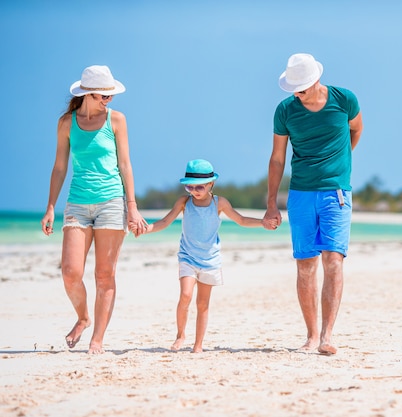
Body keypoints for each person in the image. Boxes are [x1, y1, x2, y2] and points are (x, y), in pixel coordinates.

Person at [41, 65, 148, 354]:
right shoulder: (67, 123)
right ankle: (83, 317)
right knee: (70, 272)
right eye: (104, 95)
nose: (108, 100)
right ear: (89, 93)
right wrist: (51, 207)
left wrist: (132, 208)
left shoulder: (117, 120)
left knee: (104, 275)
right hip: (77, 202)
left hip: (112, 201)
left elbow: (125, 165)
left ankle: (97, 338)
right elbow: (59, 167)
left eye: (110, 95)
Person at [264, 53, 363, 355]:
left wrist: (340, 161)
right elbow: (278, 157)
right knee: (305, 265)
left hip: (336, 193)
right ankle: (311, 335)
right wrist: (271, 202)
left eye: (302, 88)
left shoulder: (345, 100)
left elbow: (355, 130)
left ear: (316, 80)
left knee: (333, 261)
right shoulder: (285, 110)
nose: (297, 93)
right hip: (301, 193)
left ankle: (328, 336)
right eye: (293, 89)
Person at [130, 159, 277, 353]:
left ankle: (198, 344)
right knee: (185, 295)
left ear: (211, 185)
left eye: (199, 187)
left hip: (210, 260)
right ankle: (180, 334)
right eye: (189, 187)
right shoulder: (184, 202)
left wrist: (262, 223)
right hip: (188, 257)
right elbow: (165, 221)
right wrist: (146, 229)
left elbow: (240, 220)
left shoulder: (219, 203)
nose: (194, 191)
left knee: (202, 303)